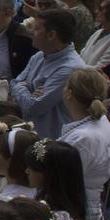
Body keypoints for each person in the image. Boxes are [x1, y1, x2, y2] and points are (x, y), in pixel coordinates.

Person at [10, 7, 82, 139]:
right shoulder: (39, 56)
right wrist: (28, 92)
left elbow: (32, 107)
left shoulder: (69, 69)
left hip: (51, 141)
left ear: (51, 35)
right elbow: (14, 82)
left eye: (37, 29)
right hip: (30, 132)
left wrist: (24, 88)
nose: (31, 31)